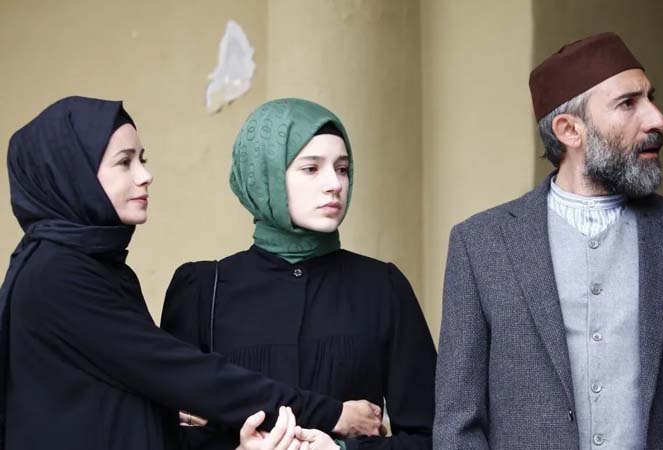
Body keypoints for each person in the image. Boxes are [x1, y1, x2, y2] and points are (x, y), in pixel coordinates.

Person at [0, 96, 382, 450]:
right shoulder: (58, 275)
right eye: (124, 162)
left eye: (142, 159)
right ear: (73, 174)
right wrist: (332, 414)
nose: (145, 175)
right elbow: (180, 373)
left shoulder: (95, 266)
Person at [433, 32, 663, 450]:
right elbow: (457, 423)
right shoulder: (480, 244)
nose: (657, 118)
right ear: (569, 130)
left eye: (650, 98)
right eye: (628, 103)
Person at [161, 98, 437, 450]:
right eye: (311, 169)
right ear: (265, 176)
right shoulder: (202, 291)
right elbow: (167, 438)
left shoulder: (382, 287)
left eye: (342, 168)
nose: (334, 184)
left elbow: (436, 437)